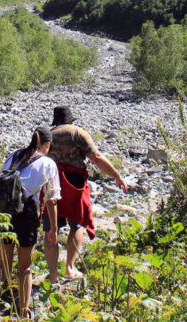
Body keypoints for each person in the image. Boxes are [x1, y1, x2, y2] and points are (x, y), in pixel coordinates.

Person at [44, 106, 128, 283]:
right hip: (74, 182)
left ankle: (52, 275)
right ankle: (69, 268)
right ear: (71, 121)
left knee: (51, 229)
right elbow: (96, 157)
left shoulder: (48, 136)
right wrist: (116, 175)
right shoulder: (78, 132)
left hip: (51, 183)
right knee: (77, 225)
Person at [0, 127, 60, 318]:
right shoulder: (47, 163)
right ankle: (24, 312)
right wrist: (54, 229)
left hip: (5, 213)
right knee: (25, 268)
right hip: (26, 213)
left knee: (2, 267)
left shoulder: (14, 156)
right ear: (47, 145)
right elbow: (52, 200)